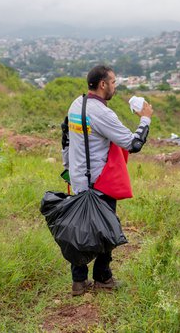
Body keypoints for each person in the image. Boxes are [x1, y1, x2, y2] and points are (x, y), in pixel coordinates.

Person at [61, 65, 153, 296]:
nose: (115, 86)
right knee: (107, 229)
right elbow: (133, 144)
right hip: (99, 183)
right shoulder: (103, 113)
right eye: (113, 82)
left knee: (79, 230)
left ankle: (79, 282)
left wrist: (67, 167)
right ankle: (103, 278)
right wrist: (145, 119)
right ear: (102, 84)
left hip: (79, 180)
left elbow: (65, 133)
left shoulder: (77, 103)